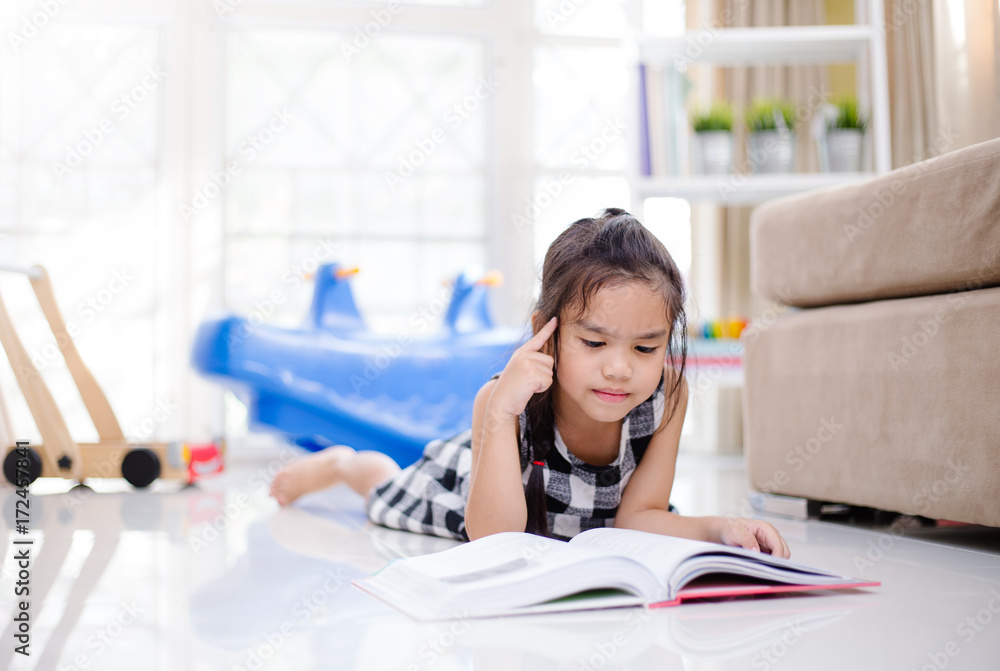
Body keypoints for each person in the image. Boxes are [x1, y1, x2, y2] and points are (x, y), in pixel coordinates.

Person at [270, 208, 790, 557]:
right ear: (548, 329)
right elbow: (492, 538)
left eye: (646, 347)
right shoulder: (501, 404)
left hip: (572, 520)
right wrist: (499, 413)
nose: (619, 368)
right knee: (385, 489)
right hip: (473, 491)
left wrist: (721, 530)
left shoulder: (667, 397)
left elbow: (639, 518)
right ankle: (342, 463)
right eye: (594, 342)